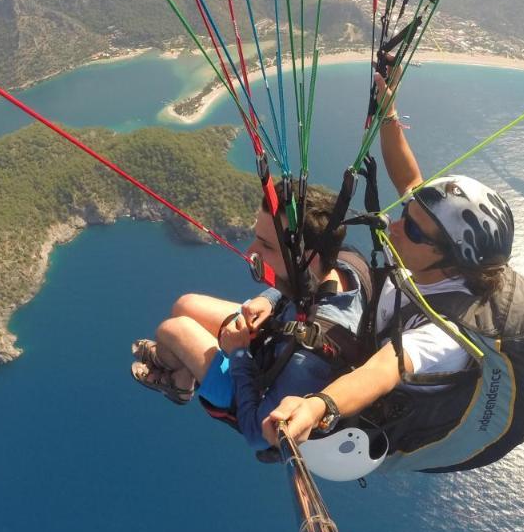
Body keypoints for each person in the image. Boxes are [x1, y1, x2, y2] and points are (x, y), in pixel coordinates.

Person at [262, 69, 524, 473]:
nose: (395, 224)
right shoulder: (436, 255)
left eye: (414, 228)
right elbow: (411, 181)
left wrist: (318, 406)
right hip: (379, 322)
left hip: (377, 394)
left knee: (277, 373)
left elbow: (384, 369)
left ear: (450, 258)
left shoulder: (446, 334)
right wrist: (389, 113)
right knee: (335, 264)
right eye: (406, 214)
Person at [130, 182, 371, 454]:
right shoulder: (342, 259)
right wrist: (268, 299)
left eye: (266, 245)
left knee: (172, 331)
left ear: (307, 259)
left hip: (253, 391)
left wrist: (240, 354)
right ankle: (185, 369)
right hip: (277, 341)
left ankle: (175, 376)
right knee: (185, 304)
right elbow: (306, 281)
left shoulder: (308, 362)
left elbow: (257, 433)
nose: (251, 251)